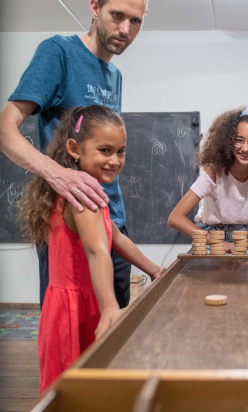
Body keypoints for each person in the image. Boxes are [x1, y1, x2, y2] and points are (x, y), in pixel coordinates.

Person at [0, 0, 149, 308]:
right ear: (95, 8)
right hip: (70, 226)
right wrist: (58, 173)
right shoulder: (59, 53)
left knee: (114, 336)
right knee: (72, 336)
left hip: (113, 223)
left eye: (135, 21)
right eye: (117, 15)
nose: (125, 29)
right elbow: (5, 128)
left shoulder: (115, 76)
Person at [21, 105, 165, 393]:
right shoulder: (83, 198)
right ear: (75, 148)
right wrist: (110, 305)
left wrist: (154, 269)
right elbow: (98, 251)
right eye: (104, 150)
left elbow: (115, 238)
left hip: (74, 304)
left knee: (83, 390)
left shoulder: (83, 189)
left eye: (120, 151)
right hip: (74, 308)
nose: (114, 160)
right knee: (72, 393)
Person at [168, 106, 248, 254]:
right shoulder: (214, 172)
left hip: (245, 245)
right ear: (228, 142)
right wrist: (218, 242)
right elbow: (175, 218)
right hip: (211, 242)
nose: (245, 148)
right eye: (239, 140)